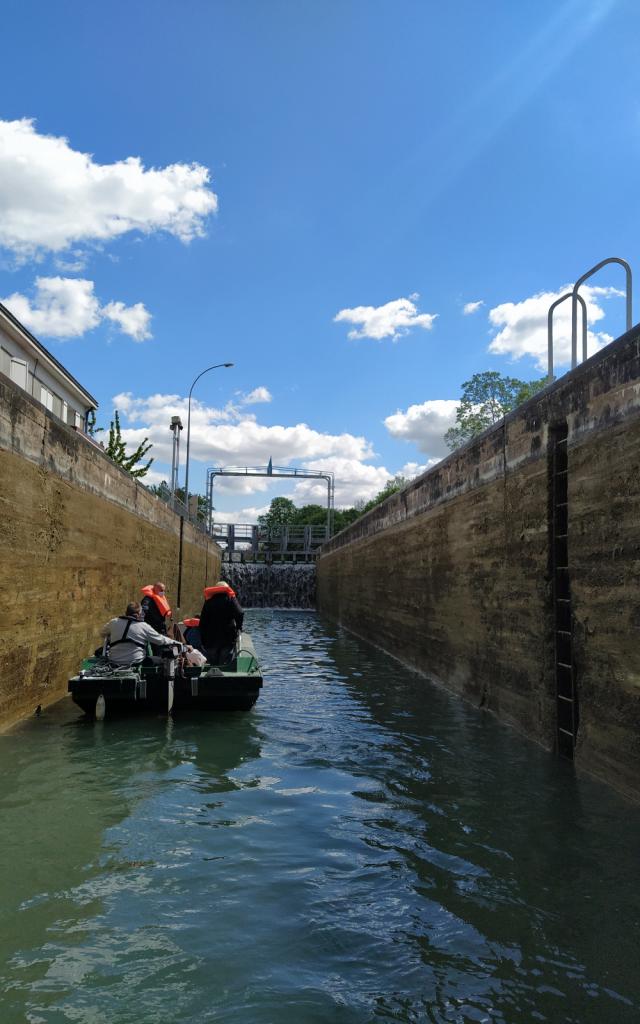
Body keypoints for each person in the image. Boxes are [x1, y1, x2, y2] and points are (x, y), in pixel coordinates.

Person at [101, 601, 184, 668]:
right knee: (163, 660)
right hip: (136, 662)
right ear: (138, 614)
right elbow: (161, 640)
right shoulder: (144, 626)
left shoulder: (114, 622)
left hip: (114, 662)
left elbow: (102, 633)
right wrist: (181, 644)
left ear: (126, 612)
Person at [199, 581, 244, 665]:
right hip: (227, 638)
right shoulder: (230, 599)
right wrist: (239, 627)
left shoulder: (209, 601)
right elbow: (240, 613)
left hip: (211, 640)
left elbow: (202, 622)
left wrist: (203, 640)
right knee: (224, 665)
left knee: (213, 665)